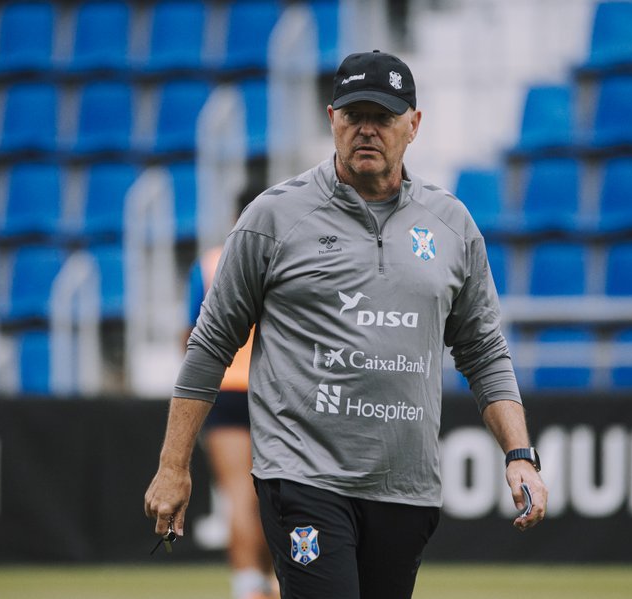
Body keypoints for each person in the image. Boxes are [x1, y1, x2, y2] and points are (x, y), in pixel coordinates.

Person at [145, 50, 547, 599]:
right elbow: (210, 343)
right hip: (303, 475)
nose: (366, 130)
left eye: (382, 117)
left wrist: (519, 456)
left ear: (413, 125)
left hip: (405, 488)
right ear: (331, 118)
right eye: (353, 115)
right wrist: (174, 467)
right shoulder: (272, 218)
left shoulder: (451, 225)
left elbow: (483, 352)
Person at [186, 252, 276, 599]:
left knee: (237, 494)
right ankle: (272, 581)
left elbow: (192, 334)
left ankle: (247, 586)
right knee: (272, 494)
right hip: (270, 384)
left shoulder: (208, 263)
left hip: (224, 386)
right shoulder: (285, 249)